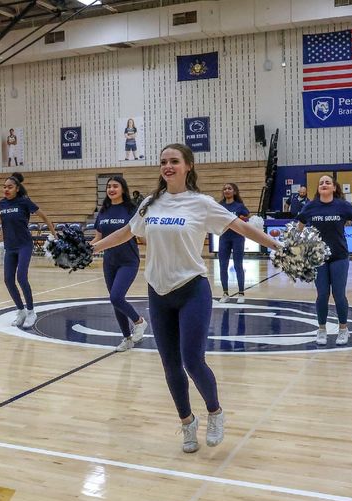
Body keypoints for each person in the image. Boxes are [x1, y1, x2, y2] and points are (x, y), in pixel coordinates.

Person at [92, 144, 281, 453]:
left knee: (192, 361)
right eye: (164, 161)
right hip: (158, 291)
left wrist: (278, 246)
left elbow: (241, 227)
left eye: (174, 161)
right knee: (170, 366)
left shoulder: (202, 203)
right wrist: (92, 249)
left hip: (192, 288)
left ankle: (215, 411)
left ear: (188, 166)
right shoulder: (151, 204)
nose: (168, 166)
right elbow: (127, 232)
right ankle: (186, 422)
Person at [296, 175, 352, 346]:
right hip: (318, 258)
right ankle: (322, 329)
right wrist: (291, 247)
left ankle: (343, 329)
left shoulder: (342, 206)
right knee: (322, 295)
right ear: (318, 189)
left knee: (339, 295)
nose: (324, 184)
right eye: (321, 183)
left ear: (334, 188)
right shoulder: (310, 207)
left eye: (327, 183)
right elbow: (297, 229)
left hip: (339, 256)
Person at [92, 176, 148, 352]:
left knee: (116, 297)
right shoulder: (103, 211)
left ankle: (139, 322)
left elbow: (141, 236)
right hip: (109, 261)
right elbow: (98, 238)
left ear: (123, 189)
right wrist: (81, 249)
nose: (111, 189)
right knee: (116, 301)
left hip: (128, 261)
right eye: (108, 186)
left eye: (115, 186)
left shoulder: (131, 209)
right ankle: (127, 338)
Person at [0, 173, 54, 329]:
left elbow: (45, 217)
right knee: (8, 280)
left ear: (17, 189)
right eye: (4, 187)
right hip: (9, 246)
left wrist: (54, 235)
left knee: (21, 277)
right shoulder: (1, 204)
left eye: (10, 187)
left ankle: (31, 312)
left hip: (24, 245)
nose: (6, 189)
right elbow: (3, 224)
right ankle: (21, 311)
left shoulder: (24, 202)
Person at [217, 183, 250, 304]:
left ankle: (241, 293)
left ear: (234, 192)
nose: (226, 190)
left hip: (238, 238)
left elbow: (247, 217)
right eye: (224, 188)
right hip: (224, 238)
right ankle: (225, 293)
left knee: (238, 265)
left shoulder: (239, 206)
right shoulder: (219, 206)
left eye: (229, 188)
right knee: (222, 265)